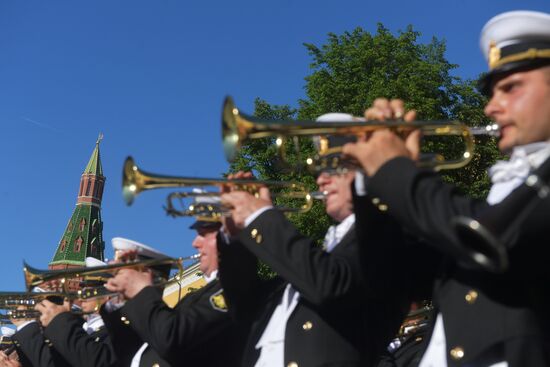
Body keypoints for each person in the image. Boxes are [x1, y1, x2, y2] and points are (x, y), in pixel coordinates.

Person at [342, 10, 550, 366]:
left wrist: (395, 170)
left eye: (511, 88)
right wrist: (369, 185)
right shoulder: (509, 184)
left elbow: (494, 238)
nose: (491, 107)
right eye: (491, 92)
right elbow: (392, 280)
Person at [218, 114, 426, 367]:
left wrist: (262, 217)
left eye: (332, 167)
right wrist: (236, 237)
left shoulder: (389, 233)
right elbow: (245, 309)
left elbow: (329, 284)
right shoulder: (325, 252)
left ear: (366, 167)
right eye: (319, 170)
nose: (320, 180)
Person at [103, 198, 247, 367]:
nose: (195, 244)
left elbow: (171, 339)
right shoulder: (194, 297)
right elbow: (127, 351)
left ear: (228, 237)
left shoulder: (230, 292)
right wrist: (123, 301)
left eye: (203, 234)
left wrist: (140, 290)